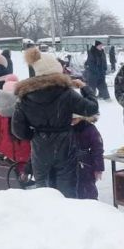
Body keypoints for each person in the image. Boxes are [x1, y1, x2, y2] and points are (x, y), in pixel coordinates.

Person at [12, 48, 99, 198]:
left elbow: (18, 130)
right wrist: (85, 88)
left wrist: (36, 134)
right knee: (67, 190)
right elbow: (91, 108)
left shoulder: (25, 97)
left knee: (44, 191)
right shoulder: (66, 93)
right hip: (65, 145)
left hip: (40, 147)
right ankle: (66, 219)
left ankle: (48, 218)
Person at [0, 75, 31, 178]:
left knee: (9, 173)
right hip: (24, 150)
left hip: (5, 150)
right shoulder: (25, 107)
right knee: (22, 170)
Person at [72, 113, 104, 200]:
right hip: (69, 163)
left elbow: (98, 148)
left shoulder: (90, 129)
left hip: (86, 164)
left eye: (75, 118)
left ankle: (92, 205)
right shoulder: (65, 129)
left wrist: (98, 168)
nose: (72, 121)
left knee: (88, 189)